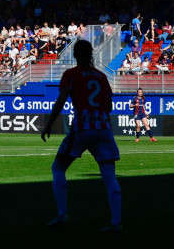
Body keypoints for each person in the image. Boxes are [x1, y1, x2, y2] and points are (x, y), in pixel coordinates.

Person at [42, 40, 121, 232]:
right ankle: (116, 222)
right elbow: (109, 106)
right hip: (103, 127)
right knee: (109, 175)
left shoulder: (71, 74)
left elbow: (61, 99)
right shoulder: (102, 76)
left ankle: (63, 214)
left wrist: (49, 124)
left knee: (58, 167)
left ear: (75, 55)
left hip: (83, 125)